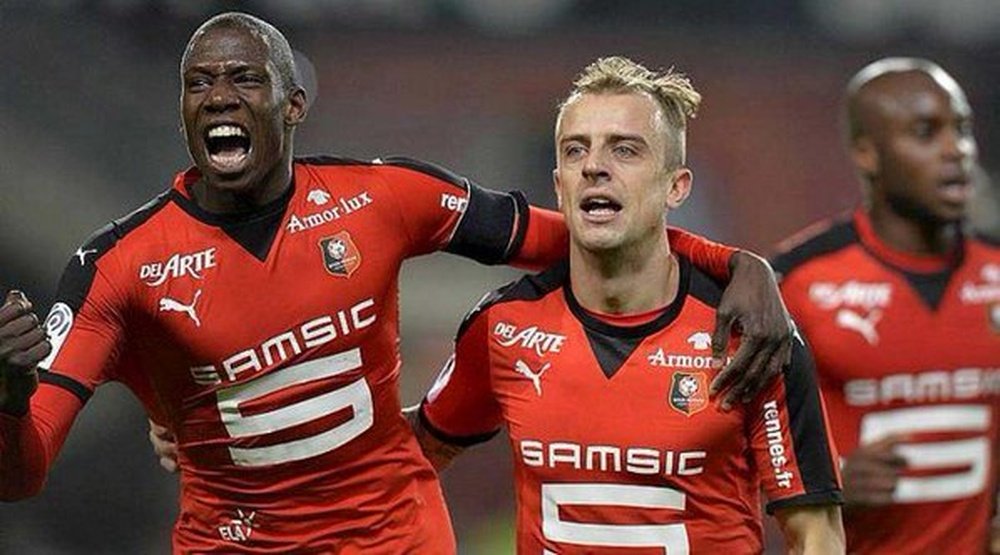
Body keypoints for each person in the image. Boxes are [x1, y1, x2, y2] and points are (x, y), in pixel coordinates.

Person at [0, 13, 792, 554]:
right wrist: (4, 397)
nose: (219, 98)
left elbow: (587, 235)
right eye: (199, 83)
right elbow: (22, 472)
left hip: (394, 535)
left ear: (293, 103)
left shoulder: (383, 199)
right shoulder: (118, 266)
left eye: (244, 79)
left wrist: (731, 264)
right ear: (182, 111)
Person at [415, 56, 845, 554]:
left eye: (625, 150)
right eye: (576, 150)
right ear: (560, 186)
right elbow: (417, 451)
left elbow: (816, 532)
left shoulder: (752, 334)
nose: (595, 165)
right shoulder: (503, 328)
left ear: (676, 187)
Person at [770, 57, 1000, 554]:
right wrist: (821, 491)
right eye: (926, 132)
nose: (956, 151)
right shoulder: (796, 281)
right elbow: (726, 452)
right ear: (866, 154)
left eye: (961, 130)